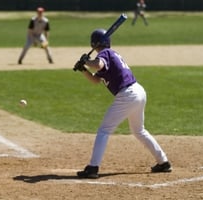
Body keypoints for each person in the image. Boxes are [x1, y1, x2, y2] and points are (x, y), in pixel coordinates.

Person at [73, 29, 172, 178]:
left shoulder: (105, 53)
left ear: (94, 43)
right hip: (137, 92)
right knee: (139, 131)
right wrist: (83, 69)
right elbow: (95, 80)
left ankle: (92, 168)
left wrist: (86, 61)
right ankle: (163, 162)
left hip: (128, 95)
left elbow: (98, 64)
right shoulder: (110, 55)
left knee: (104, 130)